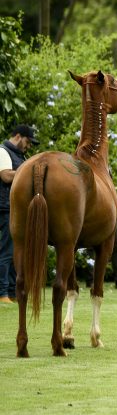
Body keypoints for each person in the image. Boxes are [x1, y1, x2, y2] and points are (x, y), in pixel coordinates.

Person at [0, 124, 39, 302]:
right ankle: (2, 293)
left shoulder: (19, 156)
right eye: (27, 142)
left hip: (17, 209)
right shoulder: (3, 151)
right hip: (6, 208)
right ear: (17, 136)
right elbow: (6, 175)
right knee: (7, 251)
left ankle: (12, 292)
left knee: (17, 251)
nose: (28, 146)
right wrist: (29, 171)